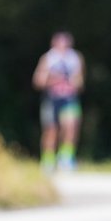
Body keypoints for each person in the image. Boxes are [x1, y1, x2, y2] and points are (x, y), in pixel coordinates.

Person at [32, 31, 85, 171]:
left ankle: (66, 158)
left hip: (69, 98)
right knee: (51, 130)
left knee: (71, 126)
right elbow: (38, 81)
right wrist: (53, 79)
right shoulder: (48, 58)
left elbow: (80, 81)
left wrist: (74, 82)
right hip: (51, 99)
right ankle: (48, 159)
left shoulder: (75, 58)